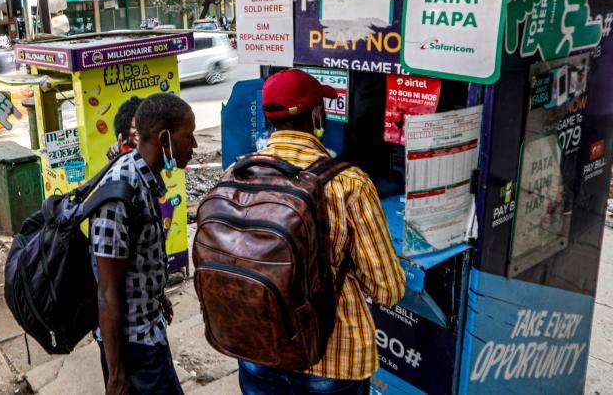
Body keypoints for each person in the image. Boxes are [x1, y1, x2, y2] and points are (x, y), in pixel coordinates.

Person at [237, 69, 404, 395]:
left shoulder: (239, 174)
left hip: (257, 349)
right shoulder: (348, 183)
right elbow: (387, 289)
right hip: (330, 358)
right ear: (317, 114)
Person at [91, 93, 196, 395]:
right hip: (134, 349)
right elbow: (107, 293)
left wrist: (156, 296)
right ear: (165, 139)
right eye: (187, 136)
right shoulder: (121, 193)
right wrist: (116, 375)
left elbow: (138, 258)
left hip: (149, 334)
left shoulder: (145, 176)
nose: (194, 145)